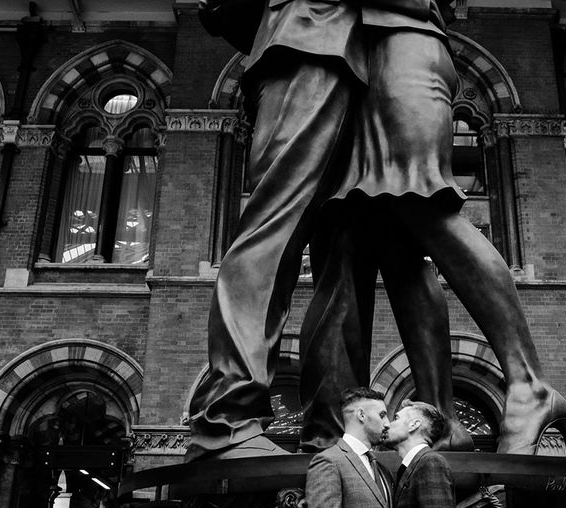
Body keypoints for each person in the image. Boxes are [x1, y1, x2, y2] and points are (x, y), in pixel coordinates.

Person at [190, 0, 472, 462]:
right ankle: (226, 419)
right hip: (309, 39)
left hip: (357, 58)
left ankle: (328, 433)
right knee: (273, 227)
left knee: (342, 244)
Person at [301, 0, 566, 457]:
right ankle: (443, 420)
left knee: (421, 202)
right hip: (361, 54)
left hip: (402, 40)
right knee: (389, 240)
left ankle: (531, 385)